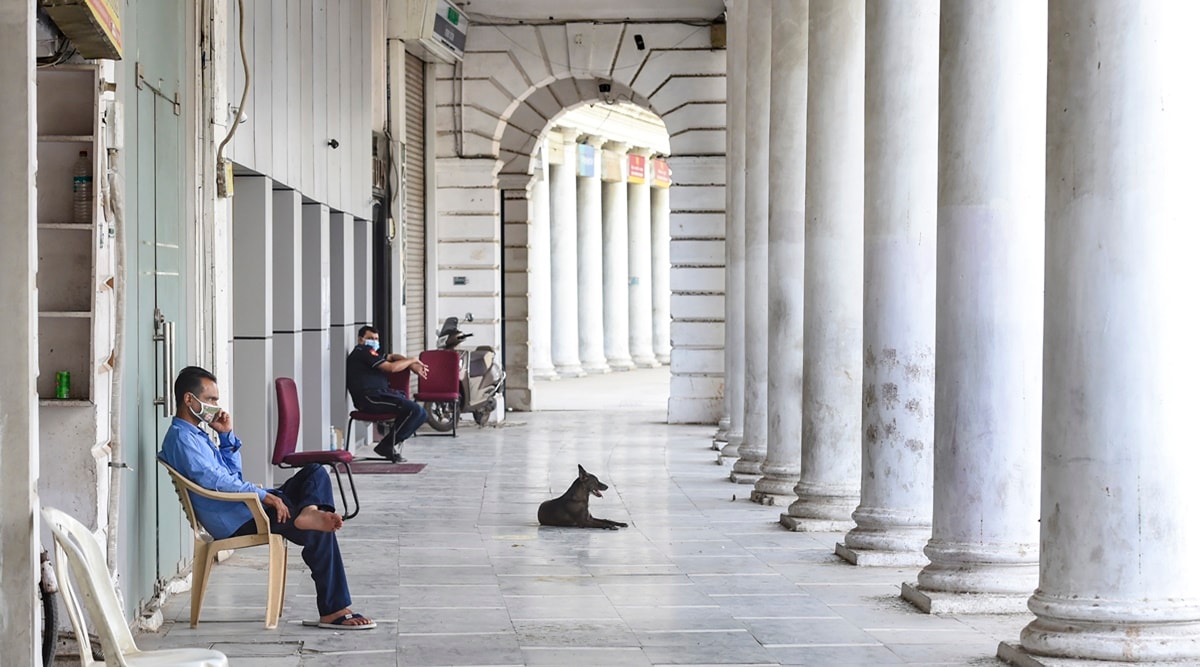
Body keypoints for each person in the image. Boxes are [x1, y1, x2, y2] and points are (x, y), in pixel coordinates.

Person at [158, 366, 375, 630]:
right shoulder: (181, 439)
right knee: (320, 530)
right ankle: (333, 609)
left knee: (315, 472)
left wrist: (226, 436)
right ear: (189, 400)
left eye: (217, 399)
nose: (216, 406)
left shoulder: (197, 435)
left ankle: (308, 511)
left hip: (244, 507)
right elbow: (215, 482)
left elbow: (232, 475)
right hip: (236, 518)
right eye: (211, 400)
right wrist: (264, 496)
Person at [346, 325, 429, 462]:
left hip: (380, 395)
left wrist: (411, 365)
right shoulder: (362, 351)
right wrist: (413, 360)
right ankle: (386, 445)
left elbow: (392, 357)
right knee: (414, 410)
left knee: (421, 413)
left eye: (376, 339)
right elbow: (391, 368)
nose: (374, 341)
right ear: (361, 340)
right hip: (370, 398)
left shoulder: (372, 353)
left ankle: (387, 444)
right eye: (370, 338)